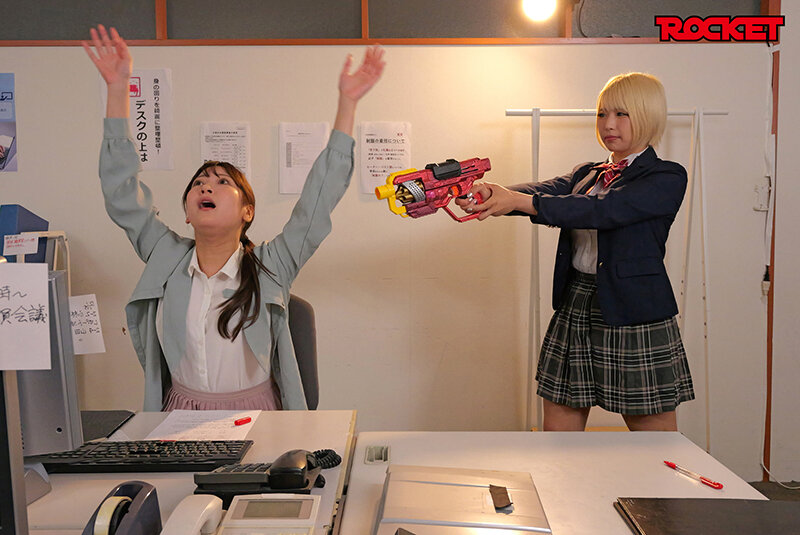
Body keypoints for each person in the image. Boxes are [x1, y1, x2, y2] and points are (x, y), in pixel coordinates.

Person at [83, 25, 385, 411]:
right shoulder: (165, 256)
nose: (206, 187)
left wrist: (347, 104)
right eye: (199, 183)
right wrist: (116, 90)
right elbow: (122, 194)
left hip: (258, 416)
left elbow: (318, 201)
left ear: (248, 211)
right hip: (180, 412)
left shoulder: (272, 265)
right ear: (187, 213)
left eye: (222, 182)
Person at [457, 72, 694, 431]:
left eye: (621, 114)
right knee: (558, 422)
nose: (608, 124)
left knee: (654, 438)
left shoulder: (666, 176)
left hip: (633, 310)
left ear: (647, 115)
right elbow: (544, 191)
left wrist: (517, 200)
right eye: (602, 114)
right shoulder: (589, 173)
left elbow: (603, 211)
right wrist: (491, 193)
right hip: (576, 301)